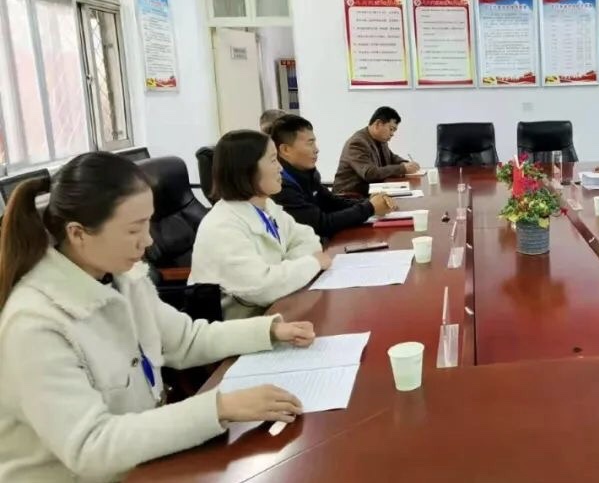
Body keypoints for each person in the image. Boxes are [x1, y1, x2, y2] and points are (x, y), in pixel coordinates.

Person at [0, 152, 315, 481]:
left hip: (144, 462)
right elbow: (91, 446)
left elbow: (185, 340)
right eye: (133, 230)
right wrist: (220, 407)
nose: (148, 240)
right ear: (78, 234)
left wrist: (270, 331)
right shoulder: (35, 324)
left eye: (148, 223)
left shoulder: (122, 277)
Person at [190, 130, 332, 320]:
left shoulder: (266, 206)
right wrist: (312, 263)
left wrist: (282, 273)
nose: (280, 168)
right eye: (273, 160)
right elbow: (262, 288)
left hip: (279, 311)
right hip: (242, 329)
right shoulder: (222, 226)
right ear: (247, 169)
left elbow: (308, 238)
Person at [270, 115, 396, 239]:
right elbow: (321, 225)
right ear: (285, 150)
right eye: (310, 143)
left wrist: (369, 202)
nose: (316, 149)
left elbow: (331, 202)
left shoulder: (308, 173)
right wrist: (369, 208)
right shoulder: (280, 185)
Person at [333, 106, 420, 195]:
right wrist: (402, 169)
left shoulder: (380, 140)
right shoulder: (357, 143)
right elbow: (369, 173)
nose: (392, 134)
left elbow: (391, 157)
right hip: (350, 196)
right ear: (378, 124)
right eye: (391, 129)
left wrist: (405, 163)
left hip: (373, 191)